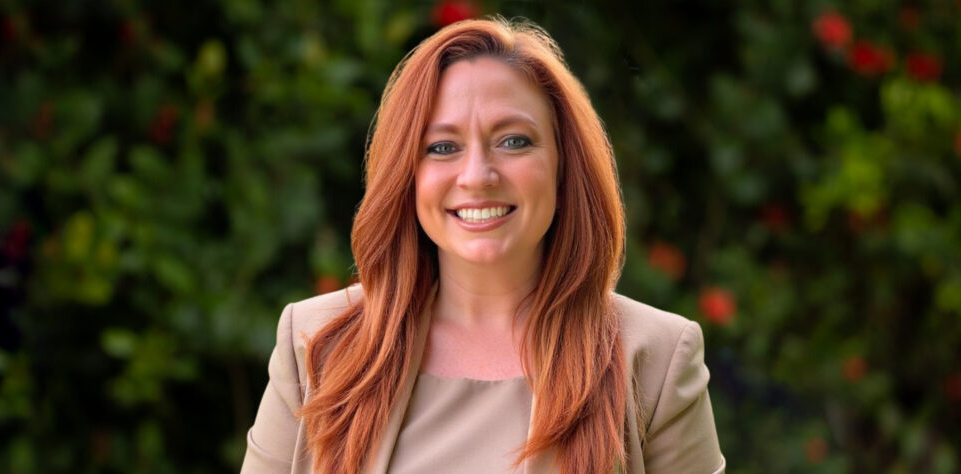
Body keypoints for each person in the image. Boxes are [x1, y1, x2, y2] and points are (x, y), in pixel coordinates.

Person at [241, 17, 725, 474]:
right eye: (442, 147)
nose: (477, 177)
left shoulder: (657, 359)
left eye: (513, 141)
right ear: (405, 175)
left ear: (563, 165)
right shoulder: (314, 348)